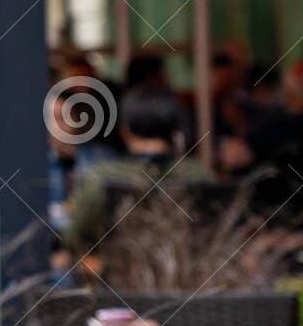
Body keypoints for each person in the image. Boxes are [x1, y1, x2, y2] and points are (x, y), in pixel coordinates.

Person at [61, 89, 215, 258]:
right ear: (175, 128)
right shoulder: (198, 174)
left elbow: (74, 238)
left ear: (124, 128)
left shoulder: (100, 176)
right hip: (185, 278)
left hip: (119, 279)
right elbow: (214, 231)